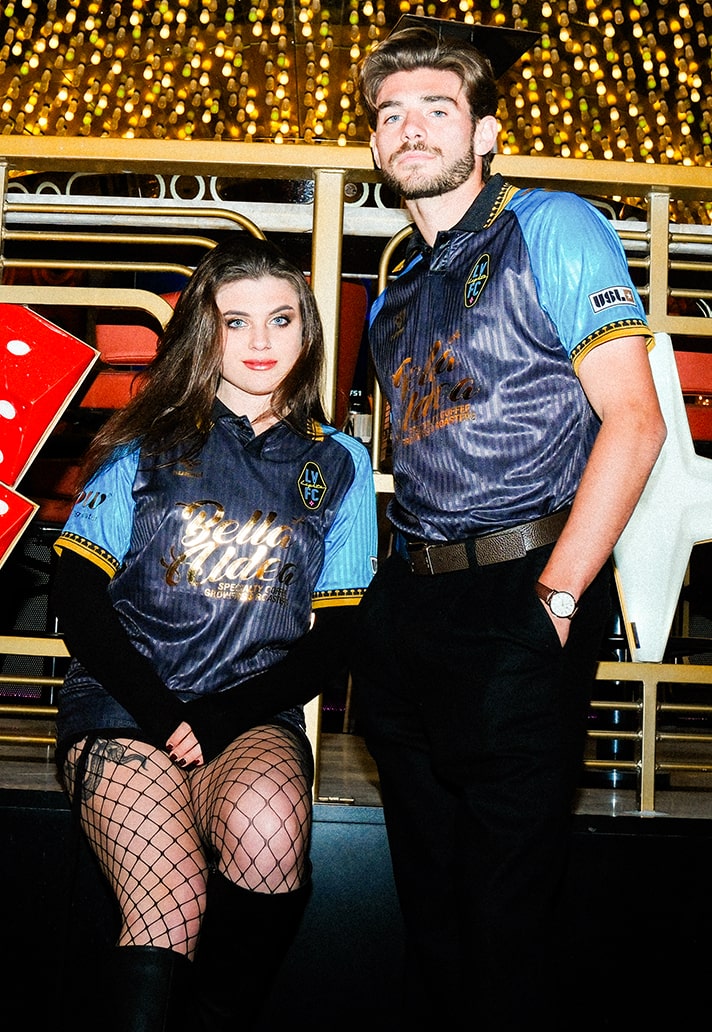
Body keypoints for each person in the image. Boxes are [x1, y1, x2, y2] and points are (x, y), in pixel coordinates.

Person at [350, 16, 667, 1030]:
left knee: (504, 916)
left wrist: (558, 597)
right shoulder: (392, 295)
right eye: (389, 114)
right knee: (433, 912)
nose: (409, 129)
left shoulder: (553, 224)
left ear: (485, 132)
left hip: (524, 589)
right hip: (411, 607)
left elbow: (635, 421)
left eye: (435, 109)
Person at [50, 234, 378, 1032]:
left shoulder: (340, 462)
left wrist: (224, 715)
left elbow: (338, 635)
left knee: (271, 839)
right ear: (207, 330)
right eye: (237, 321)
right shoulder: (144, 441)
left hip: (250, 713)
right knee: (171, 905)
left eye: (281, 319)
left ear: (308, 332)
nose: (261, 341)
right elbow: (77, 597)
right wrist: (164, 713)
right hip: (126, 705)